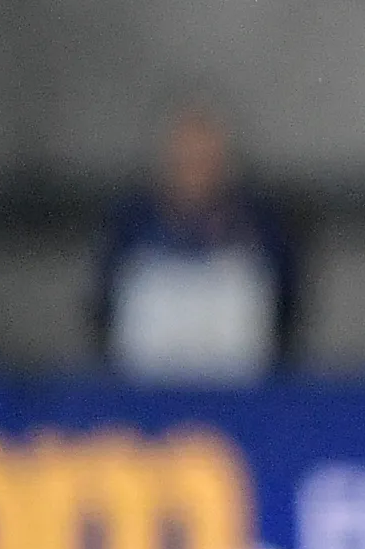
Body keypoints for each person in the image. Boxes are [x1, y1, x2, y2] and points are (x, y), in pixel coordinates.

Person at [93, 107, 300, 381]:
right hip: (144, 392)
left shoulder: (259, 225)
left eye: (204, 160)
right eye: (185, 160)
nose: (195, 170)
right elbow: (102, 306)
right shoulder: (132, 225)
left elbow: (286, 306)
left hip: (241, 391)